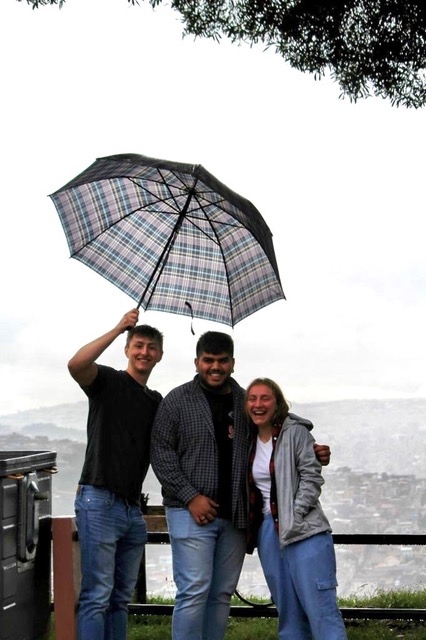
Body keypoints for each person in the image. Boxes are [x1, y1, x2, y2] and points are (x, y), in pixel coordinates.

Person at [150, 331, 330, 640]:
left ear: (233, 363)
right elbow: (161, 453)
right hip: (189, 511)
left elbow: (279, 424)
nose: (215, 367)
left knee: (221, 594)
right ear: (197, 362)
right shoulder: (177, 401)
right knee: (194, 590)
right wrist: (191, 497)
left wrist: (309, 446)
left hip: (235, 515)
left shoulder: (244, 400)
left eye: (222, 361)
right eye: (208, 361)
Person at [68, 308, 164, 640]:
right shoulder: (107, 382)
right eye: (138, 345)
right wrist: (119, 327)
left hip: (131, 510)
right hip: (98, 499)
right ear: (127, 349)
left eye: (151, 347)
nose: (144, 352)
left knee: (119, 601)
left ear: (160, 356)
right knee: (96, 596)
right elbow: (76, 365)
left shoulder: (155, 401)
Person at [245, 377, 347, 640]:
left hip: (305, 531)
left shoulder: (296, 432)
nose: (258, 404)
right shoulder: (246, 439)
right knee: (288, 612)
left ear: (277, 403)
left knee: (321, 610)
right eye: (252, 398)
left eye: (265, 398)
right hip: (268, 531)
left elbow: (312, 476)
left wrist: (296, 513)